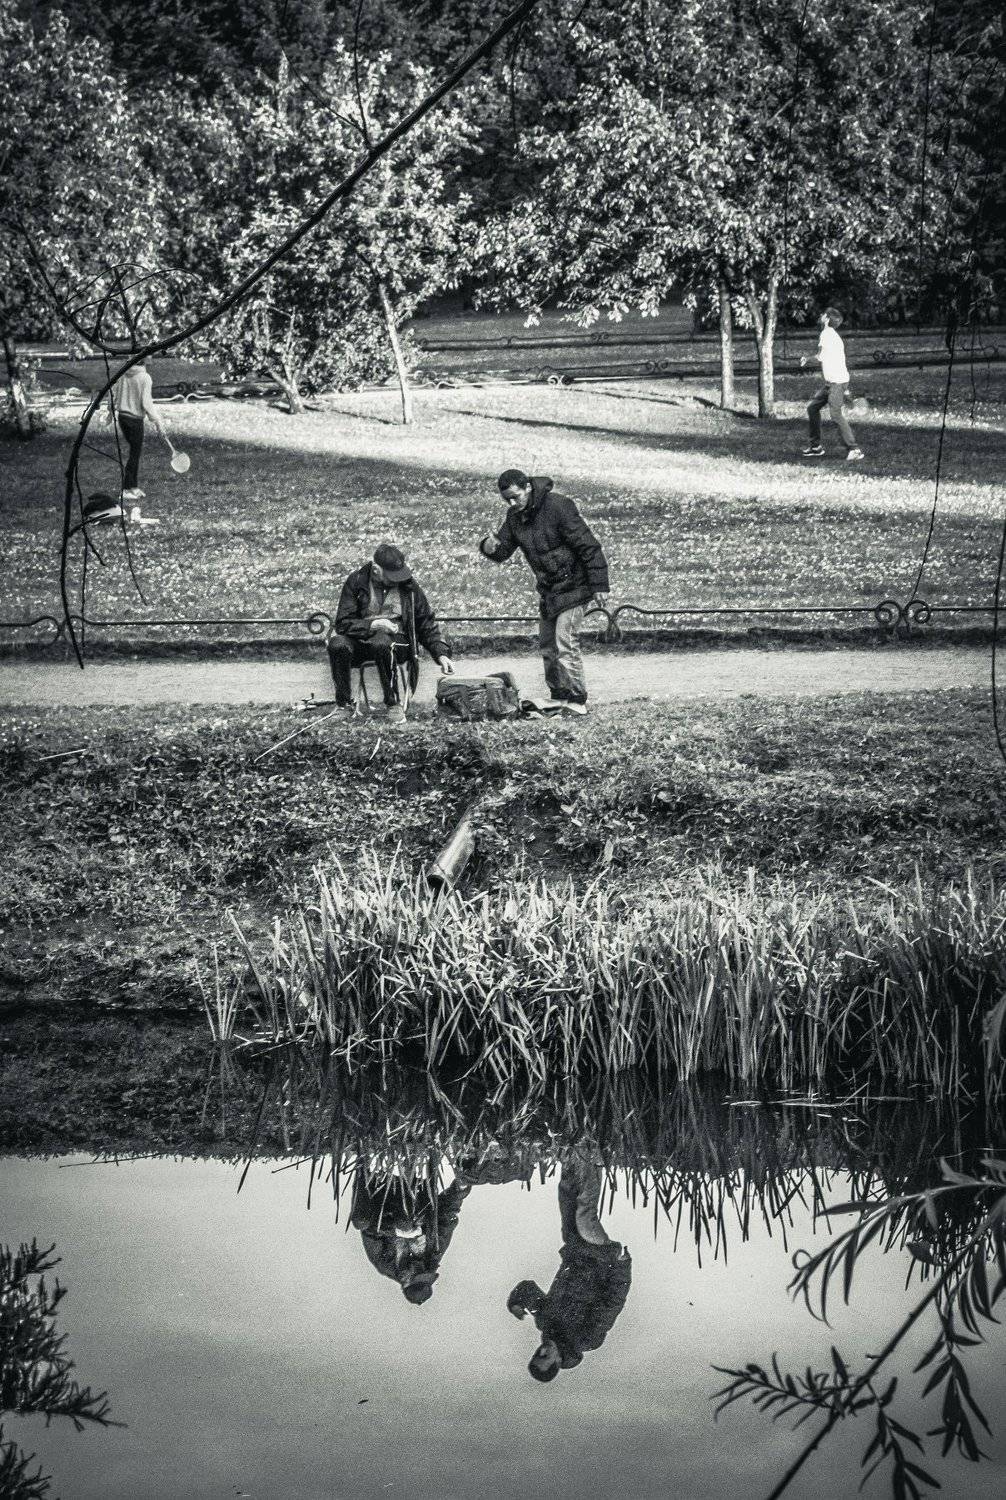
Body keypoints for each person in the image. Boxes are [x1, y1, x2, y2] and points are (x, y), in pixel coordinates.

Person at [479, 471, 609, 714]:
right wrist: (489, 547)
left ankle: (577, 700)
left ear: (528, 487)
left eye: (516, 496)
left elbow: (589, 546)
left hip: (576, 585)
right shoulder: (514, 516)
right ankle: (559, 696)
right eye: (507, 499)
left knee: (565, 641)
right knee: (548, 647)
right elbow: (502, 550)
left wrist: (600, 584)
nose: (512, 503)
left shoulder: (559, 506)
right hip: (550, 591)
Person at [507, 1151, 632, 1381]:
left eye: (536, 1354)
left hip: (574, 1250)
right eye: (544, 1357)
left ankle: (570, 1153)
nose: (541, 1350)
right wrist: (623, 1266)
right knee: (585, 1216)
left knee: (566, 1195)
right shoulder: (586, 1339)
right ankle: (592, 1157)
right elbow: (614, 1302)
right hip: (601, 1258)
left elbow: (527, 1289)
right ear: (557, 1362)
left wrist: (514, 1303)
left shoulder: (544, 1321)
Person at [328, 543, 454, 722]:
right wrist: (373, 625)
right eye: (392, 576)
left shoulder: (409, 587)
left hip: (397, 643)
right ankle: (343, 704)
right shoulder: (356, 581)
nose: (397, 581)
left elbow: (425, 622)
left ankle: (393, 703)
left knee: (382, 642)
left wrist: (441, 654)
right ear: (376, 570)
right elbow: (343, 623)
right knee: (337, 644)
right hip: (361, 641)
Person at [349, 1159, 470, 1305]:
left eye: (416, 1275)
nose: (419, 1269)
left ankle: (363, 1166)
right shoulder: (434, 1252)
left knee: (361, 1222)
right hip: (415, 1192)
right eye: (423, 1274)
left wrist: (397, 1232)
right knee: (407, 1223)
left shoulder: (385, 1264)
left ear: (405, 1282)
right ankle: (411, 1162)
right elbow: (447, 1217)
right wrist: (460, 1189)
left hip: (382, 1196)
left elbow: (369, 1231)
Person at [801, 307, 864, 461]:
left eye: (823, 314)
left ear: (827, 319)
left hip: (836, 383)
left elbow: (820, 356)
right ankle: (815, 447)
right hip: (833, 382)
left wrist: (806, 359)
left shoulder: (826, 334)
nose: (820, 315)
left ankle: (854, 449)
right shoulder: (832, 335)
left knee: (835, 414)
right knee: (812, 408)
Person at [108, 354, 173, 502]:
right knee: (135, 454)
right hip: (135, 420)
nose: (151, 357)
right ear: (143, 359)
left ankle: (133, 487)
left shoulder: (123, 373)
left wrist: (110, 412)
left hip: (122, 418)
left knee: (134, 452)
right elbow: (146, 403)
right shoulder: (145, 377)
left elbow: (113, 393)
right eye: (149, 355)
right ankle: (126, 488)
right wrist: (157, 421)